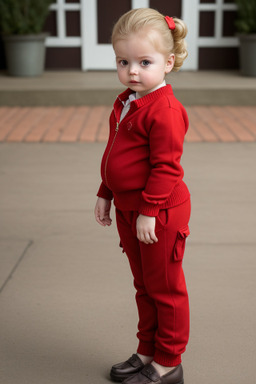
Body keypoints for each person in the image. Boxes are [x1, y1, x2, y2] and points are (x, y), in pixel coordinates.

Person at [94, 7, 190, 384]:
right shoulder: (126, 101)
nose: (132, 70)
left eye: (144, 62)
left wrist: (150, 209)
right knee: (144, 286)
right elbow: (115, 153)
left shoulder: (164, 110)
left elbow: (167, 168)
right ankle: (147, 350)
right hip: (130, 209)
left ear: (167, 63)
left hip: (159, 213)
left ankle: (168, 363)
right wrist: (106, 191)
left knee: (164, 288)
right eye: (123, 61)